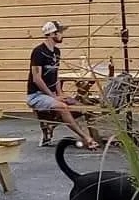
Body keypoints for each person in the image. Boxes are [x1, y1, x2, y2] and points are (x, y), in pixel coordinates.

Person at [26, 21, 98, 149]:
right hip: (36, 95)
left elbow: (55, 76)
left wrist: (60, 94)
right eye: (60, 32)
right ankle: (86, 138)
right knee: (63, 107)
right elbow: (37, 78)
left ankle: (51, 125)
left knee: (83, 106)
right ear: (52, 34)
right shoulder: (38, 52)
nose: (62, 35)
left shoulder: (56, 52)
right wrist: (53, 97)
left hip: (52, 94)